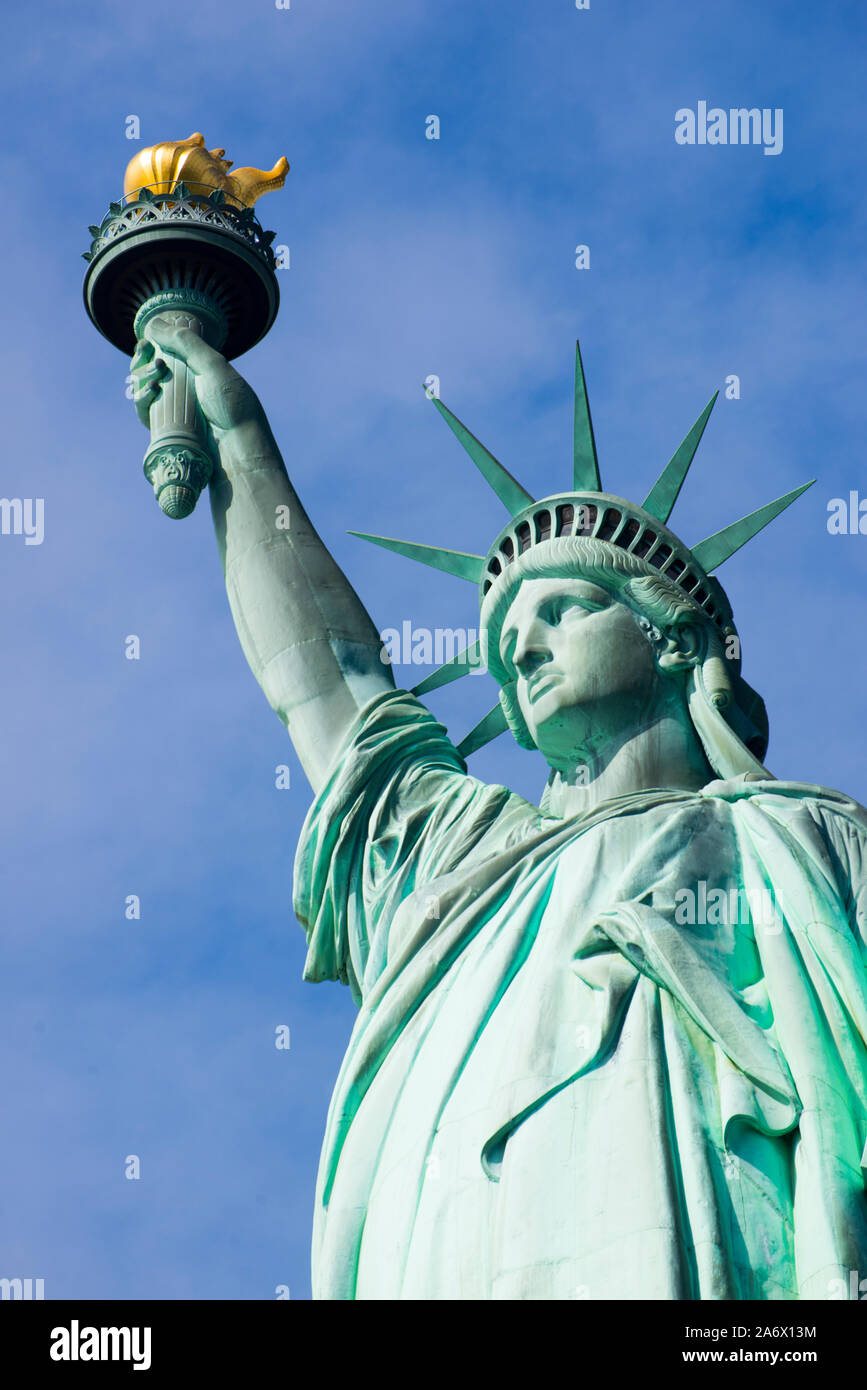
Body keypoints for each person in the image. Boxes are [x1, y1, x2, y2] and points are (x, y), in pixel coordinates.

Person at [131, 326, 867, 1301]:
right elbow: (330, 687)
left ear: (676, 637)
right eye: (508, 634)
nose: (523, 647)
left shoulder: (800, 843)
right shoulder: (464, 859)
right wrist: (239, 443)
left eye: (563, 609)